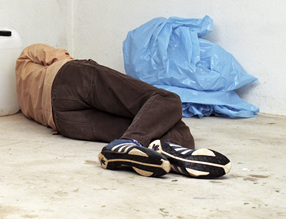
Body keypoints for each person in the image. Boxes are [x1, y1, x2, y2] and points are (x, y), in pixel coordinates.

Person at [15, 43, 231, 179]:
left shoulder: (24, 106)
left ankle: (148, 150)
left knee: (150, 124)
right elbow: (57, 56)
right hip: (72, 79)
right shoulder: (25, 56)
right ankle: (141, 145)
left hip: (62, 121)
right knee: (167, 101)